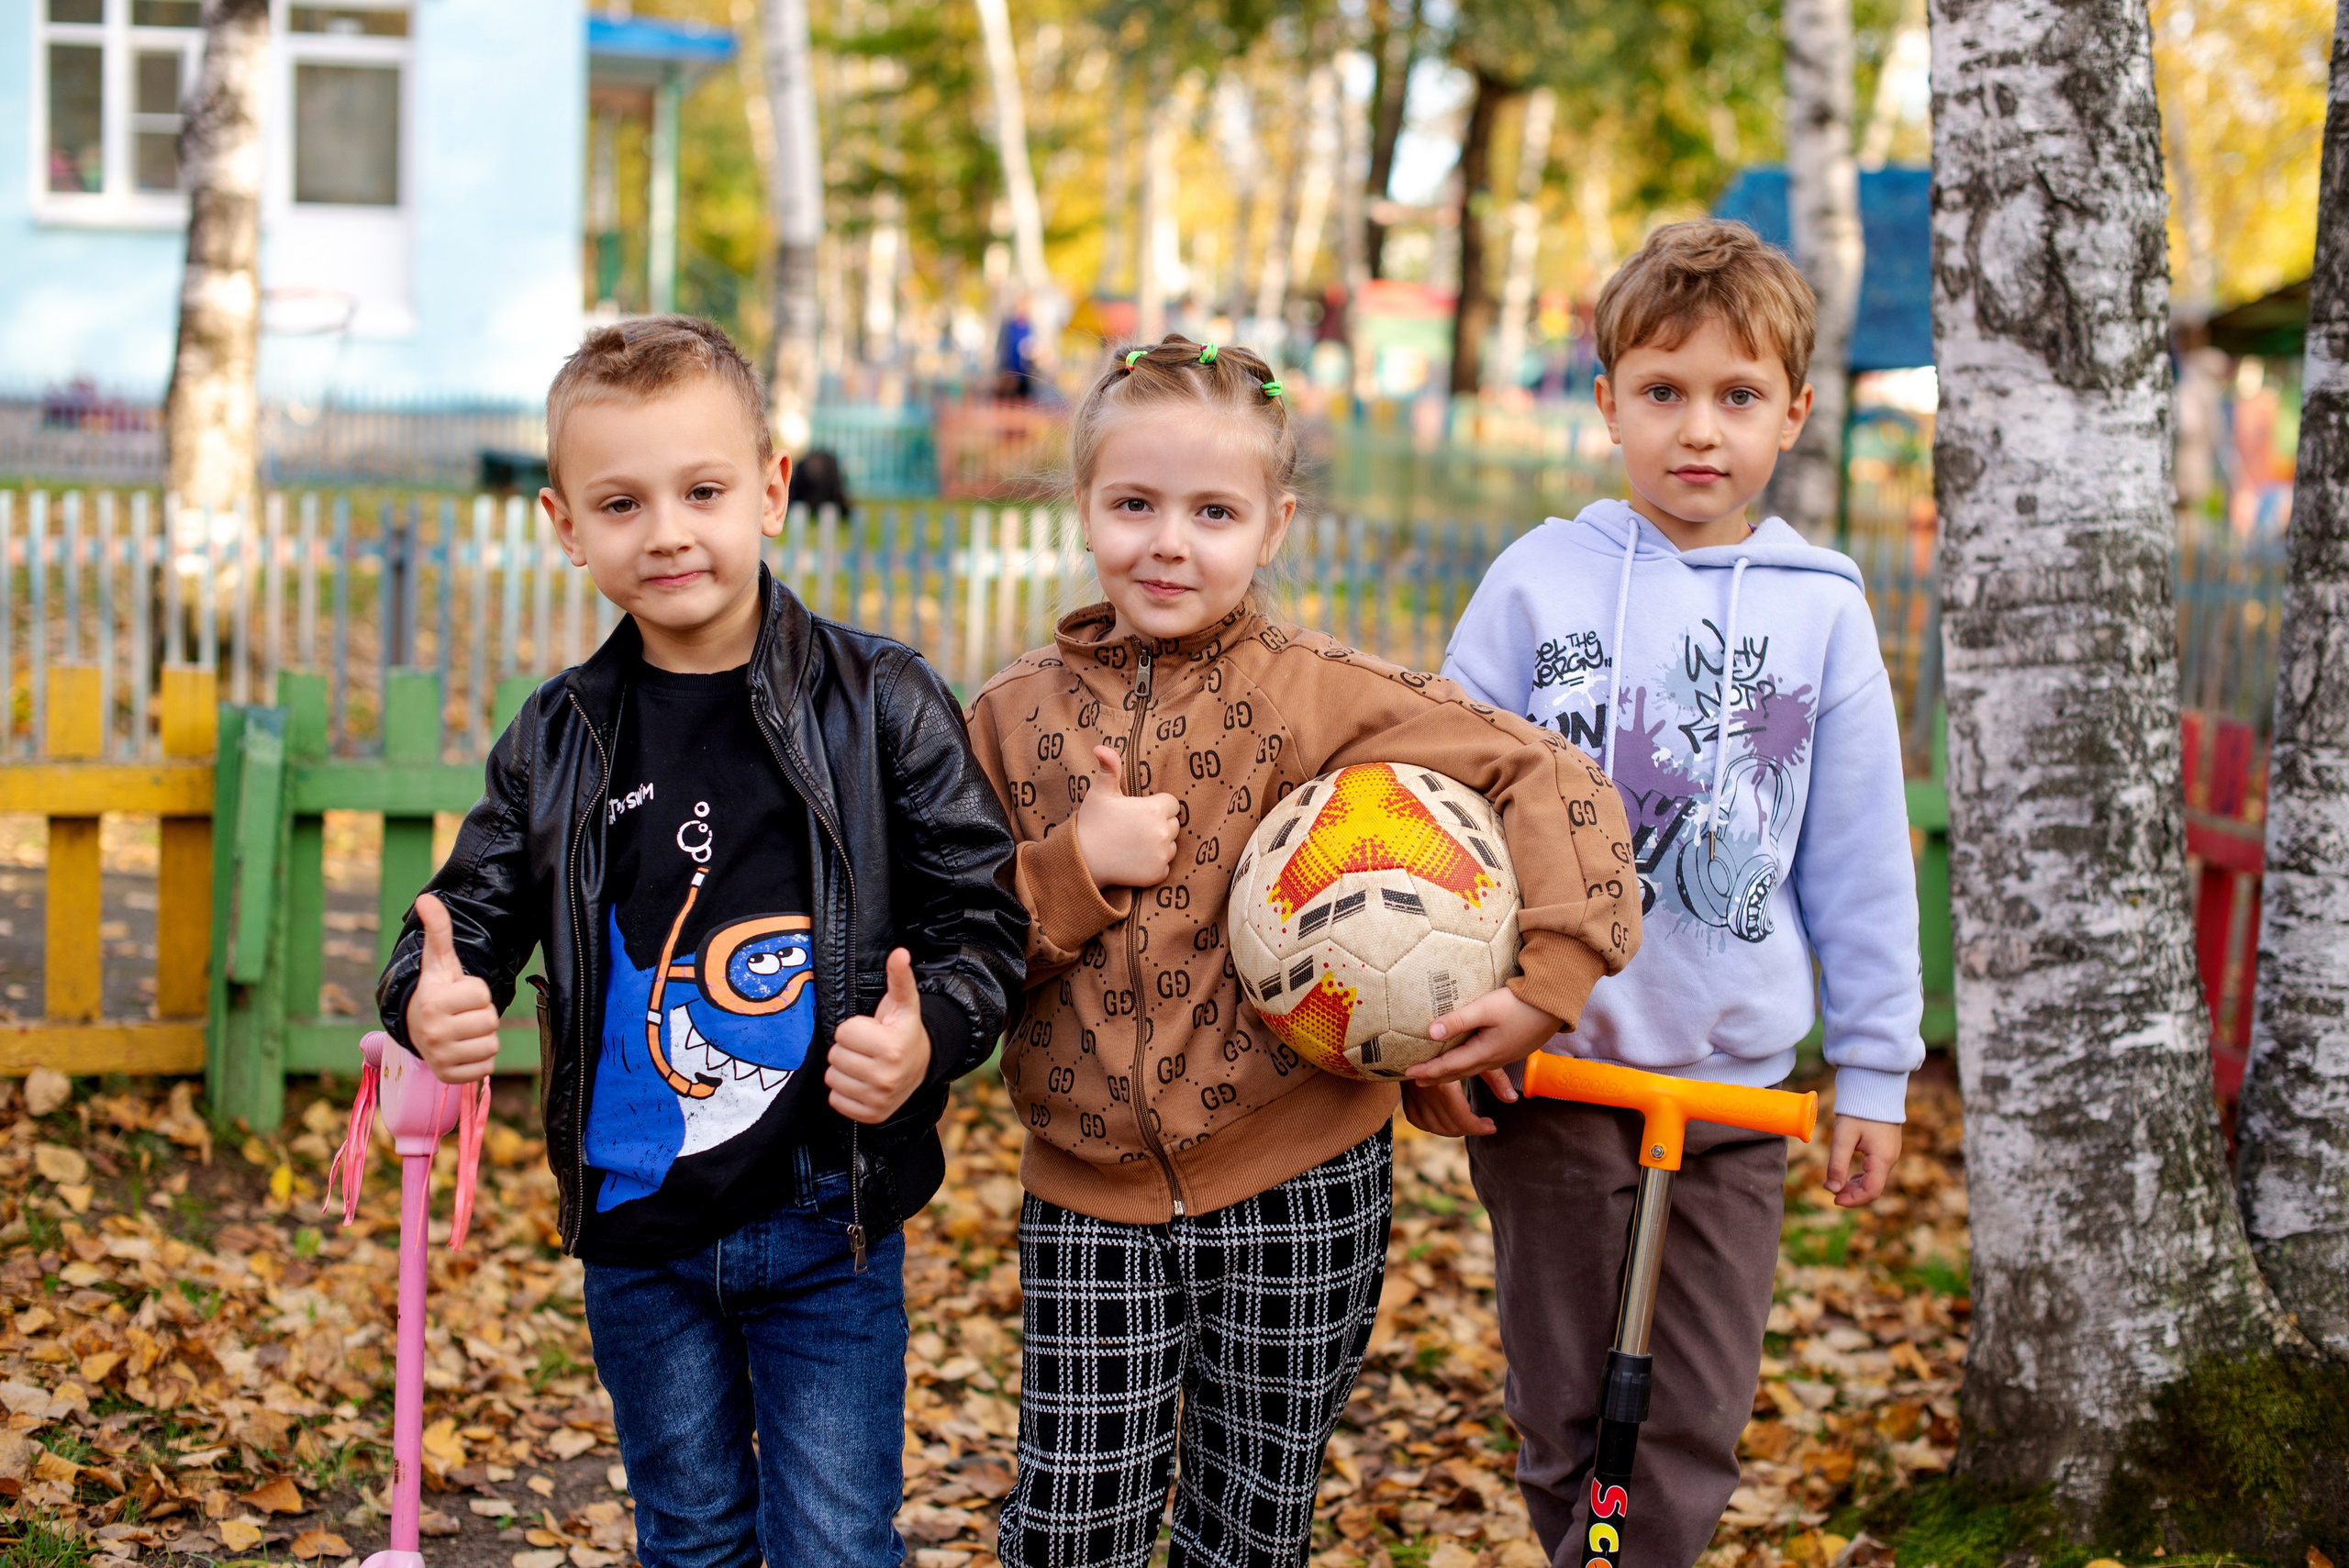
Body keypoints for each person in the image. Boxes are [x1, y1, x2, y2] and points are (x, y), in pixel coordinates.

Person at [963, 334, 1642, 1568]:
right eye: (1135, 504)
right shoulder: (1010, 718)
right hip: (1086, 1199)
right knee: (1071, 1527)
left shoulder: (1322, 692)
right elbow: (945, 938)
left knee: (1254, 1523)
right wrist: (1072, 869)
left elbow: (1551, 775)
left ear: (1273, 526)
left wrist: (1549, 979)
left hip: (1304, 1186)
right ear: (1083, 508)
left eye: (1213, 511)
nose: (1170, 541)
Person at [376, 316, 1027, 1568]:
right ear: (566, 525)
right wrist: (429, 999)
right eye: (623, 502)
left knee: (837, 1541)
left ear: (772, 490)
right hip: (640, 1233)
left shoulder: (883, 700)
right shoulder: (558, 735)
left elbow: (983, 917)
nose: (667, 529)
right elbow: (460, 922)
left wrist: (930, 1034)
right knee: (691, 1537)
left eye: (704, 489)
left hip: (826, 1216)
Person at [1430, 218, 1924, 1568]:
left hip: (1733, 1097)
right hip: (1560, 1079)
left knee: (1693, 1412)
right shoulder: (1538, 581)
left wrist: (1876, 1069)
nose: (1697, 430)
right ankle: (1582, 1550)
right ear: (1606, 404)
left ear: (1794, 415)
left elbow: (1863, 857)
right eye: (1662, 391)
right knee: (1569, 1406)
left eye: (1737, 396)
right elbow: (1450, 824)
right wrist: (1457, 1024)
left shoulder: (1823, 608)